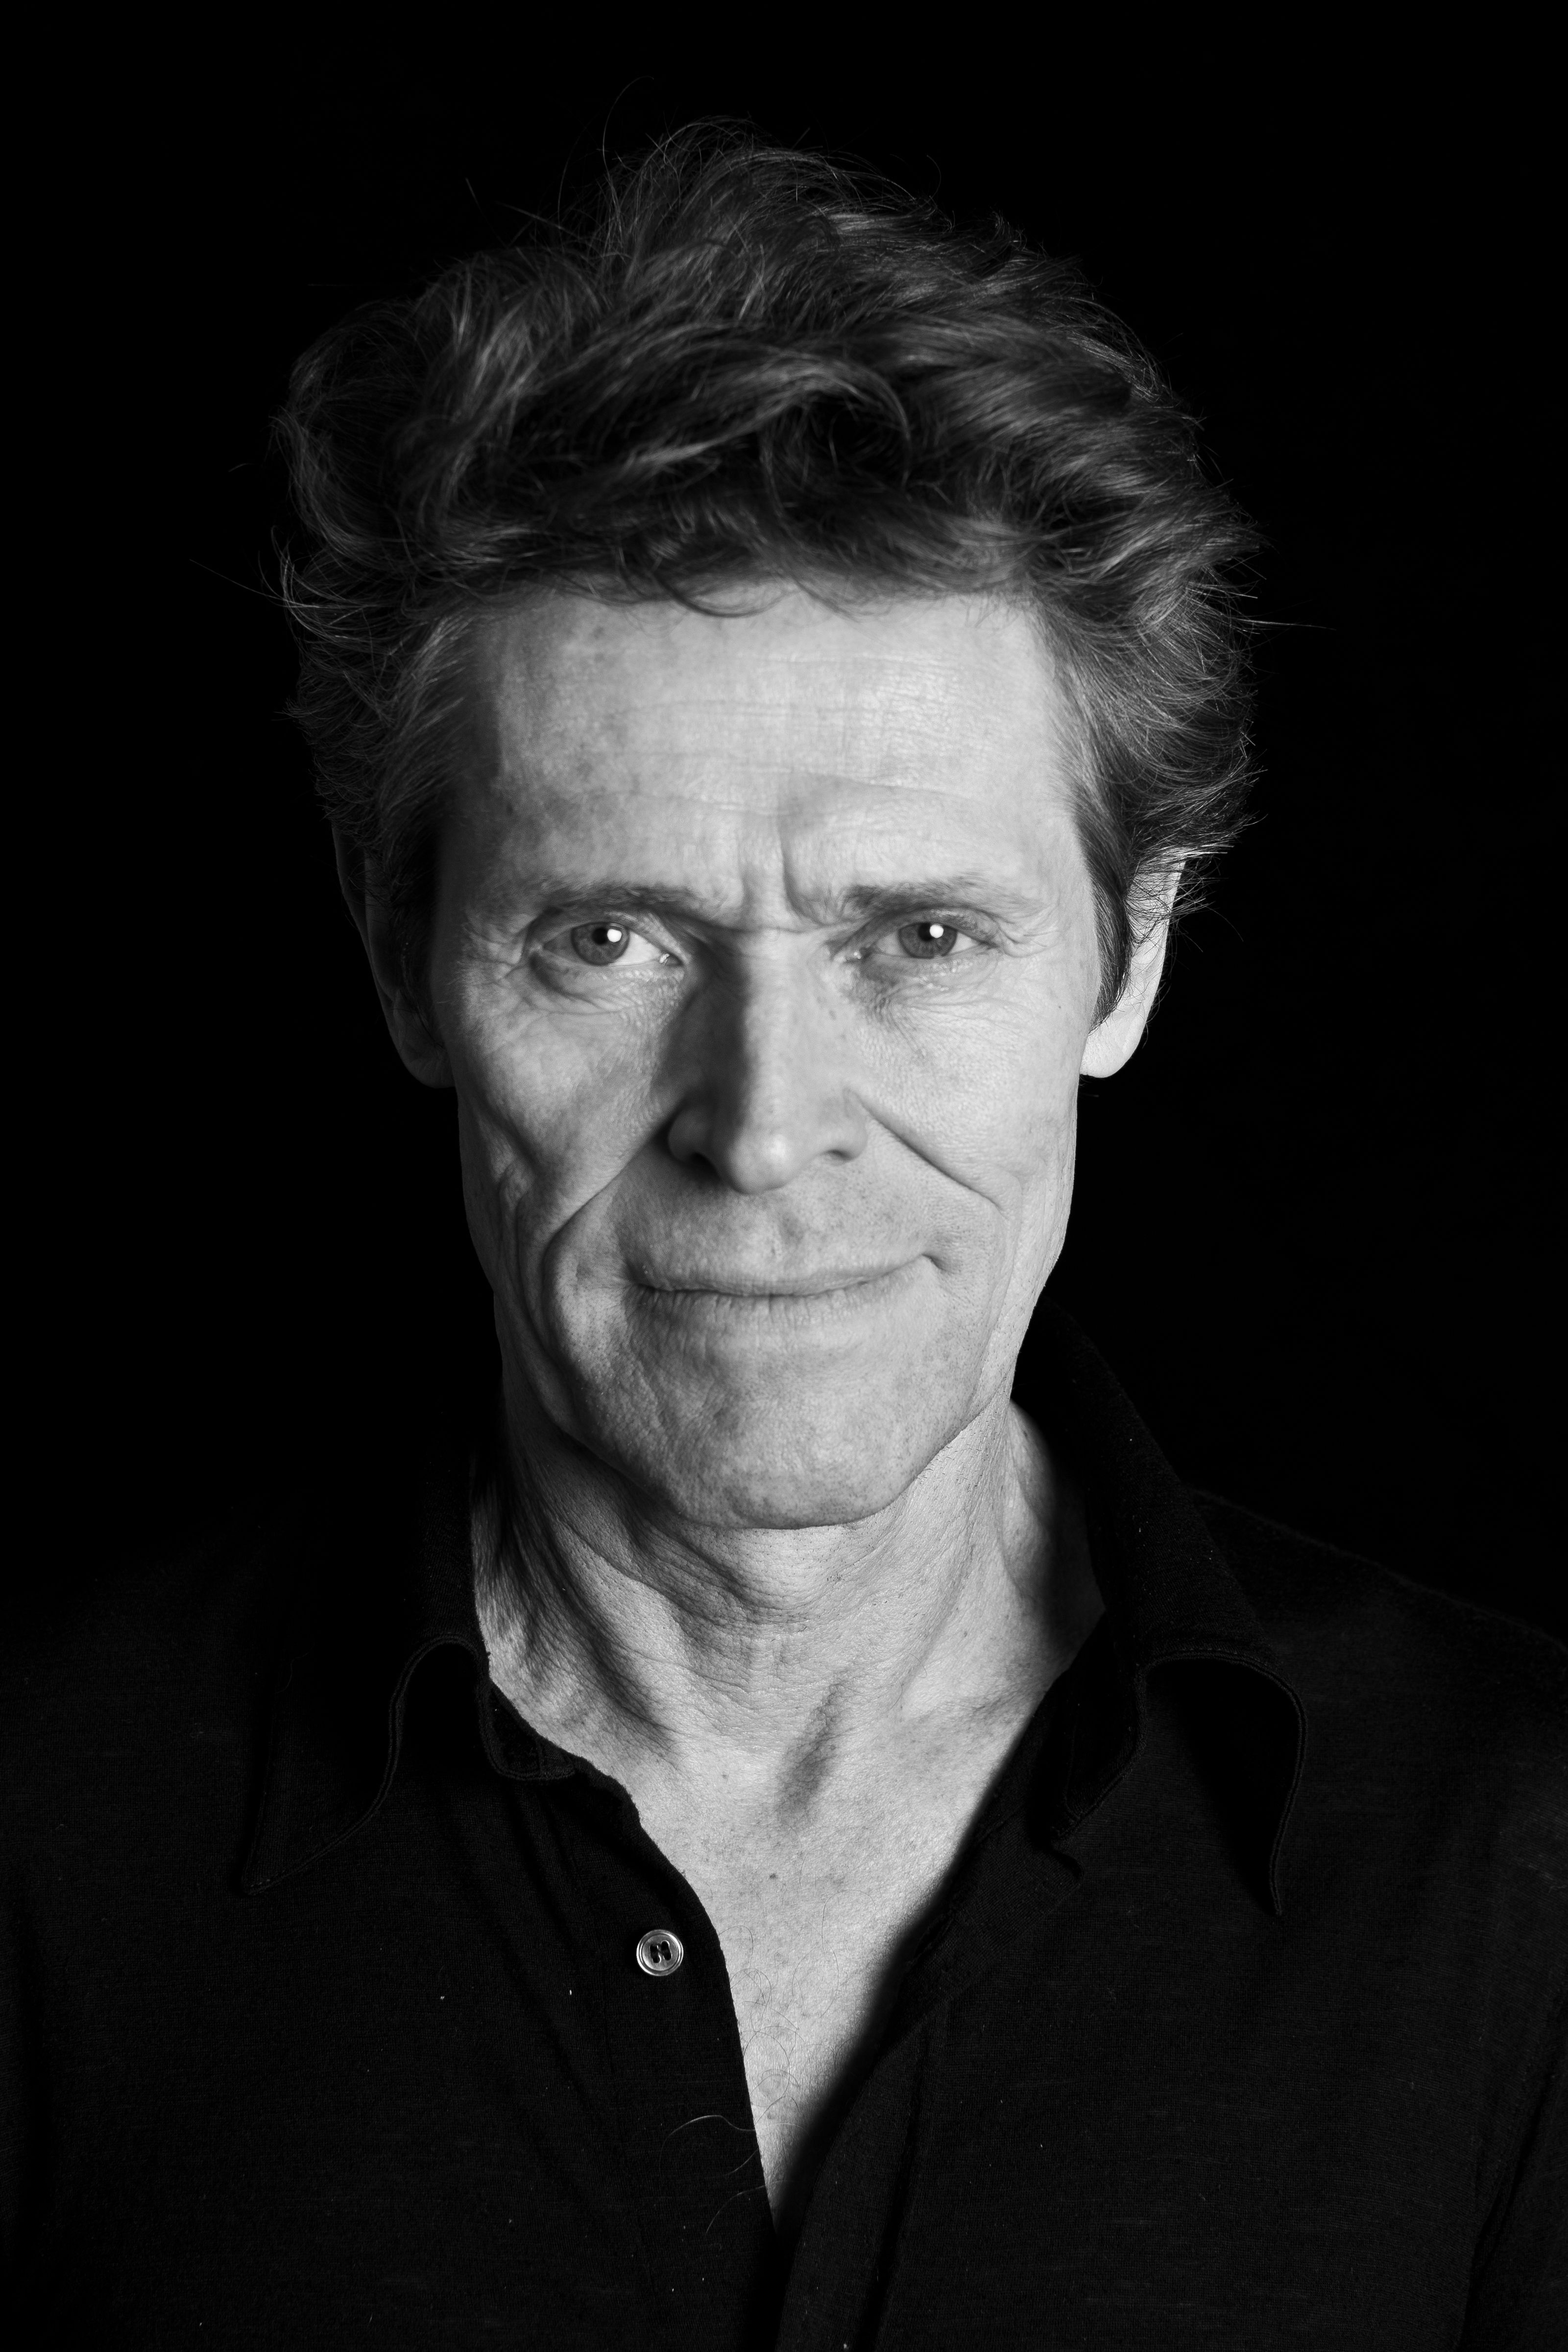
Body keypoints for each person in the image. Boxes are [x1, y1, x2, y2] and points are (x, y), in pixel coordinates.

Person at [4, 129, 1563, 2349]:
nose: (760, 1129)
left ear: (1127, 955)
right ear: (401, 957)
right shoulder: (39, 1844)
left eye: (917, 936)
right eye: (612, 938)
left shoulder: (1518, 1869)